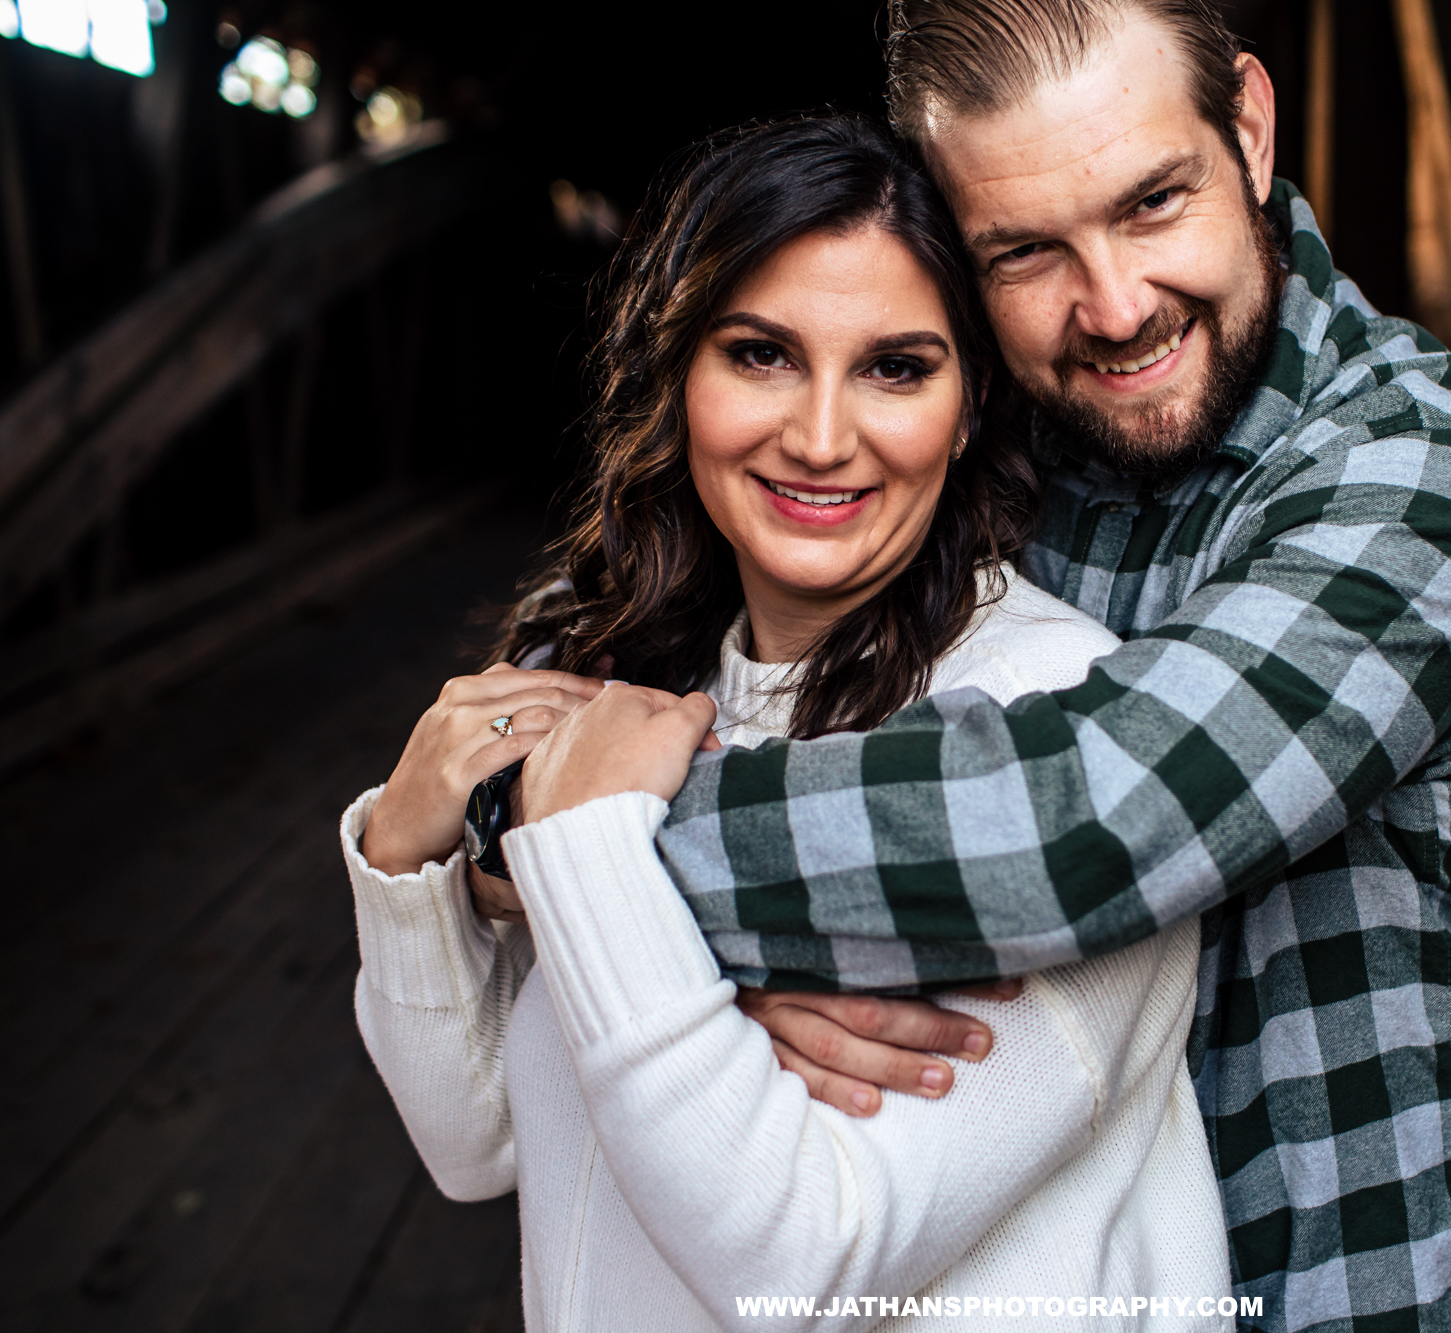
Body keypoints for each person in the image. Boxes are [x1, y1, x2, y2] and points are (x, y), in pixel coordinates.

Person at [619, 3, 1451, 1331]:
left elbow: (1090, 819)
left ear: (1247, 125)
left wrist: (591, 862)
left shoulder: (1424, 467)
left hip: (1349, 1297)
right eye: (1025, 250)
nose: (1115, 305)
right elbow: (702, 627)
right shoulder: (977, 442)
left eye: (1153, 202)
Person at [344, 115, 1232, 1330]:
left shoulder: (1054, 724)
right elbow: (473, 1138)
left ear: (971, 404)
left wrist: (594, 859)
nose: (819, 438)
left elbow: (806, 1258)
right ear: (678, 374)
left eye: (895, 367)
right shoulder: (613, 673)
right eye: (760, 353)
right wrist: (405, 850)